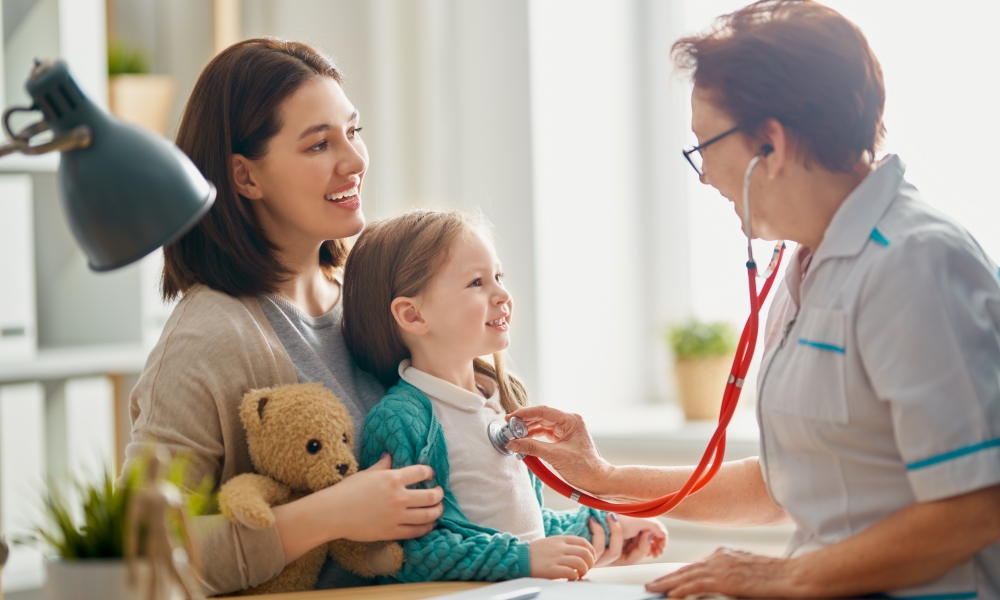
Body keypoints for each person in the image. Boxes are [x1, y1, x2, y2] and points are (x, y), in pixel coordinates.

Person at [507, 1, 1000, 598]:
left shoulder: (915, 264)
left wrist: (787, 574)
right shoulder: (806, 267)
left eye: (705, 146)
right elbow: (784, 487)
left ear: (770, 143)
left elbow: (977, 507)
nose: (706, 176)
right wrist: (605, 477)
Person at [122, 39, 445, 595]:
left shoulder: (369, 297)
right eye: (319, 144)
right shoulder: (209, 336)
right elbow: (138, 552)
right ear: (245, 177)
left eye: (354, 131)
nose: (355, 160)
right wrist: (328, 516)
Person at [341, 210, 668, 582]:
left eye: (498, 276)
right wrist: (522, 560)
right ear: (413, 315)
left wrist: (603, 528)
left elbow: (516, 523)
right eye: (477, 282)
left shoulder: (499, 402)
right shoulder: (401, 419)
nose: (503, 294)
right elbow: (408, 554)